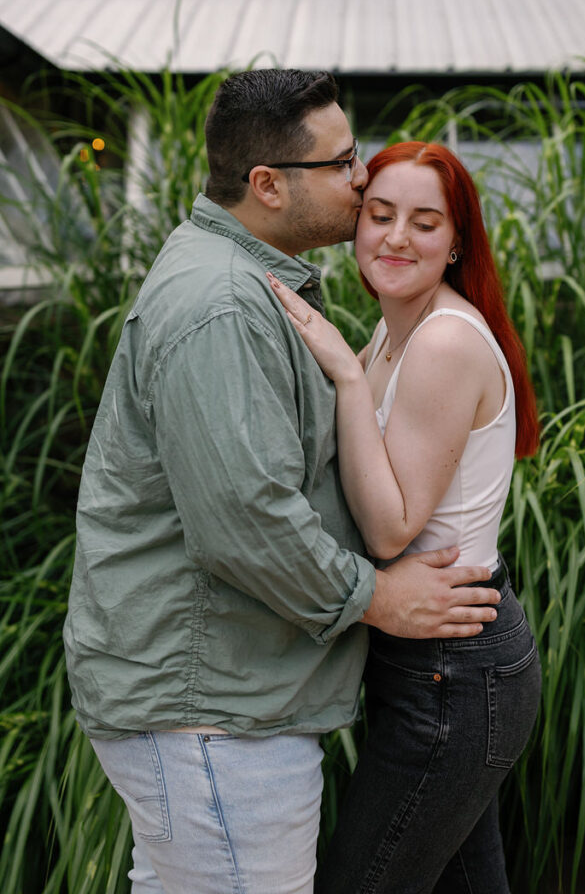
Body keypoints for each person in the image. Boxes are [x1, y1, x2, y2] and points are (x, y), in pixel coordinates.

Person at [63, 70, 502, 894]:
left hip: (211, 702)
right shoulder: (223, 306)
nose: (362, 177)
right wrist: (379, 599)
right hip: (211, 714)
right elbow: (247, 520)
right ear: (267, 185)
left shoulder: (243, 280)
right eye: (341, 164)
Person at [269, 140, 543, 894]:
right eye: (380, 214)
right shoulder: (396, 327)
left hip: (454, 670)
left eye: (425, 222)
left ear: (457, 240)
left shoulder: (442, 342)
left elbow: (390, 529)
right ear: (356, 224)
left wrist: (348, 378)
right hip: (434, 658)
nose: (395, 237)